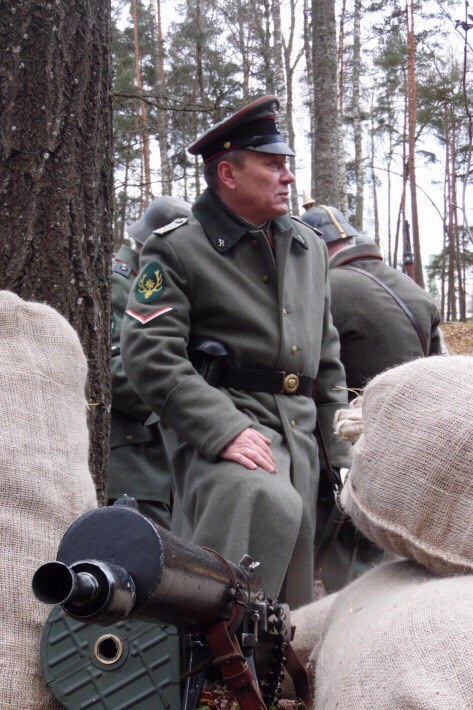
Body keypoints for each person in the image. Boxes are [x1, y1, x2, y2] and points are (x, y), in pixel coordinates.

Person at [121, 96, 350, 608]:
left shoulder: (308, 247)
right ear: (228, 173)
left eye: (286, 163)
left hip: (302, 434)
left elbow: (327, 360)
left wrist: (339, 451)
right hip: (226, 427)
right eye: (272, 164)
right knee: (254, 518)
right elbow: (148, 353)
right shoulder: (178, 248)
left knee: (291, 600)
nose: (287, 176)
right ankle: (211, 657)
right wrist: (223, 428)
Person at [108, 196, 191, 529]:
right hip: (132, 462)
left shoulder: (157, 287)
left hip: (163, 464)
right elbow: (111, 369)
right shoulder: (118, 284)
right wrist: (184, 404)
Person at [301, 204, 443, 395]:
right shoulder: (412, 287)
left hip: (354, 410)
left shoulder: (321, 288)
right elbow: (438, 364)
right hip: (422, 405)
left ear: (310, 246)